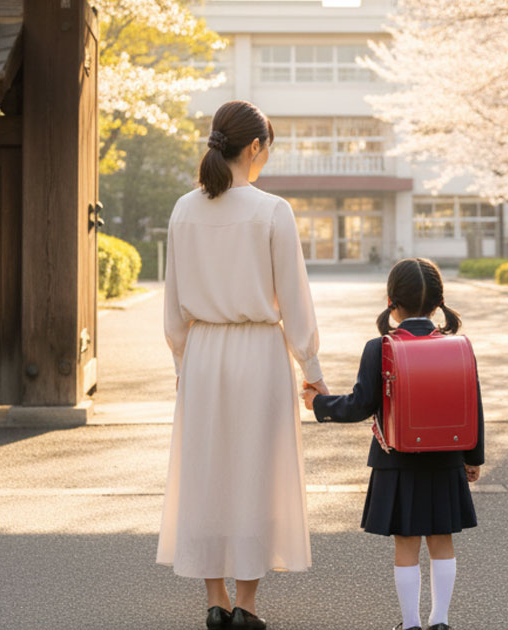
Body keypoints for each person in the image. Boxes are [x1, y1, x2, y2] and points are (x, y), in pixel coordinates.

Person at [156, 100, 330, 630]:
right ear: (254, 147)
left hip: (205, 352)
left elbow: (173, 301)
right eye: (267, 149)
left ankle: (215, 598)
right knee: (257, 470)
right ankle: (248, 604)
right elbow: (294, 300)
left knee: (207, 471)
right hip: (259, 352)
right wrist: (312, 368)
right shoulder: (272, 210)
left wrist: (184, 360)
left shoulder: (184, 209)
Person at [301, 258, 485, 630]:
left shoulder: (379, 347)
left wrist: (318, 404)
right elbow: (473, 406)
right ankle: (441, 620)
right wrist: (473, 457)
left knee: (406, 544)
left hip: (396, 462)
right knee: (442, 541)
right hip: (446, 458)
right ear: (438, 303)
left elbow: (359, 405)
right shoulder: (457, 347)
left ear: (391, 300)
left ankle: (410, 623)